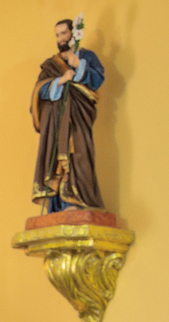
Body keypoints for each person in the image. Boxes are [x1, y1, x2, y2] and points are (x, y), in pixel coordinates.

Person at [31, 18, 105, 213]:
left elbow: (97, 79)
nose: (60, 38)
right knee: (55, 158)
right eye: (57, 35)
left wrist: (80, 66)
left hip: (78, 117)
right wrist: (61, 81)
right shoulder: (50, 65)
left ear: (73, 33)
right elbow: (39, 93)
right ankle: (57, 204)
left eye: (63, 33)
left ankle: (78, 199)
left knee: (79, 154)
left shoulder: (86, 56)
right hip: (56, 121)